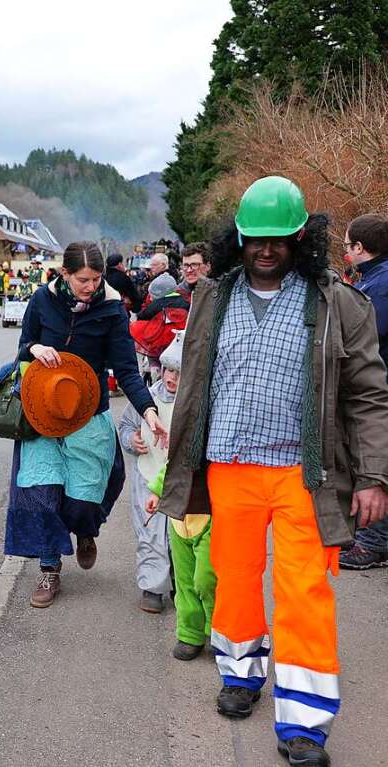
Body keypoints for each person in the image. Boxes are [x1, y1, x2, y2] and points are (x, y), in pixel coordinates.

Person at [156, 177, 388, 767]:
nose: (265, 249)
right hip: (229, 468)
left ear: (301, 238)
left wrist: (373, 477)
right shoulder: (213, 295)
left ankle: (306, 722)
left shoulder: (337, 303)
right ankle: (240, 673)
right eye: (255, 238)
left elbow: (367, 395)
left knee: (304, 593)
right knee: (232, 579)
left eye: (278, 239)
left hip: (303, 474)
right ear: (238, 238)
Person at [9, 241, 167, 607]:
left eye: (96, 279)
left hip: (88, 414)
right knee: (43, 493)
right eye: (83, 279)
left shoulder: (111, 309)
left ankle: (84, 530)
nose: (90, 286)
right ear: (65, 273)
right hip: (42, 414)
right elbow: (23, 345)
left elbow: (127, 370)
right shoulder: (41, 301)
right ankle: (49, 569)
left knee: (82, 502)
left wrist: (148, 411)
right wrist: (34, 349)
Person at [141, 332, 217, 659]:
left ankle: (218, 632)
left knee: (207, 580)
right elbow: (172, 465)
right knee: (184, 582)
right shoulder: (181, 427)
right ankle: (189, 633)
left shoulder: (215, 421)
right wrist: (158, 493)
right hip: (179, 517)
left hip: (209, 516)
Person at [117, 333, 180, 614]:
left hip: (179, 480)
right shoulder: (146, 398)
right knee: (150, 532)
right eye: (169, 370)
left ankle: (181, 583)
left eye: (179, 373)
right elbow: (126, 426)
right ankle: (152, 586)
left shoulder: (193, 403)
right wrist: (132, 440)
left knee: (180, 533)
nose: (172, 378)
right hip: (147, 474)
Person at [339, 213, 388, 569]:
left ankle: (373, 542)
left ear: (359, 248)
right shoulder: (374, 283)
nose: (345, 253)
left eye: (346, 245)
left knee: (375, 464)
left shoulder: (378, 289)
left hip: (378, 390)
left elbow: (363, 340)